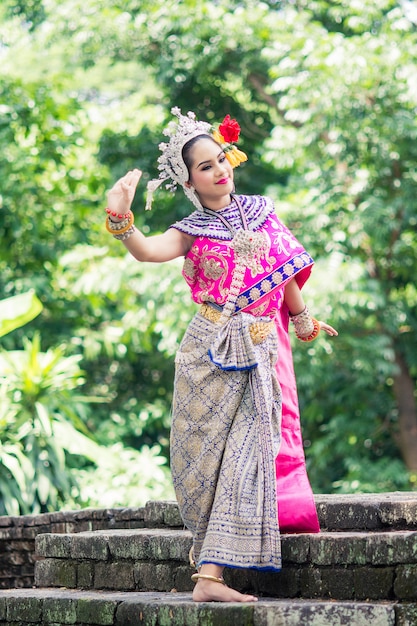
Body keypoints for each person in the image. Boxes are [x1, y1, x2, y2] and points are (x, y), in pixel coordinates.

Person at [104, 107, 338, 603]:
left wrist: (302, 320)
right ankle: (209, 574)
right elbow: (146, 250)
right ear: (189, 181)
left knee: (250, 450)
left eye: (221, 158)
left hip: (257, 349)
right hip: (205, 351)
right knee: (205, 463)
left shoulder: (262, 210)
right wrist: (120, 215)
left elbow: (287, 268)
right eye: (205, 166)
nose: (219, 169)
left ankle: (210, 579)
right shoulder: (191, 228)